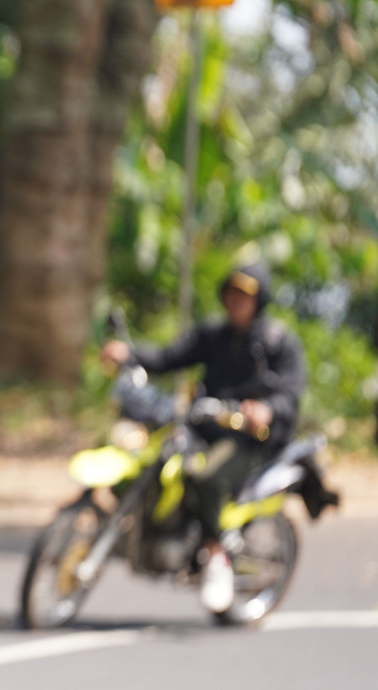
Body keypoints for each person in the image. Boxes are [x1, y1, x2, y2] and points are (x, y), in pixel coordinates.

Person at [100, 261, 309, 612]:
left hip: (249, 439)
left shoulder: (278, 342)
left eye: (246, 295)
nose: (237, 301)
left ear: (259, 300)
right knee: (154, 459)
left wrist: (265, 409)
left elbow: (290, 394)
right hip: (203, 427)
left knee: (206, 478)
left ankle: (215, 555)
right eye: (233, 292)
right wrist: (129, 354)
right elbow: (168, 357)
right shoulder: (214, 334)